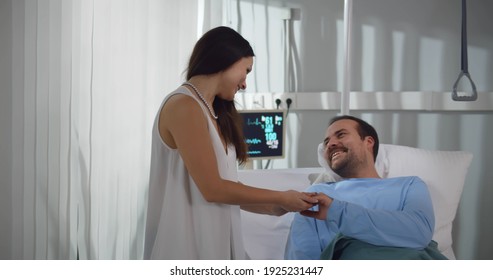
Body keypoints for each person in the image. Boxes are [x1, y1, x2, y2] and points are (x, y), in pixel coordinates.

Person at [144, 26, 318, 260]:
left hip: (215, 245)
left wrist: (280, 206)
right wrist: (279, 197)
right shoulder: (183, 106)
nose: (245, 83)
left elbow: (227, 189)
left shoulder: (212, 112)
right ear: (225, 59)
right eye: (245, 71)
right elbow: (214, 189)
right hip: (185, 248)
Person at [284, 115, 436, 260]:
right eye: (326, 142)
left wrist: (337, 212)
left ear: (368, 142)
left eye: (341, 135)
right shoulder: (316, 195)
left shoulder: (409, 186)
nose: (330, 144)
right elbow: (302, 263)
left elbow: (418, 232)